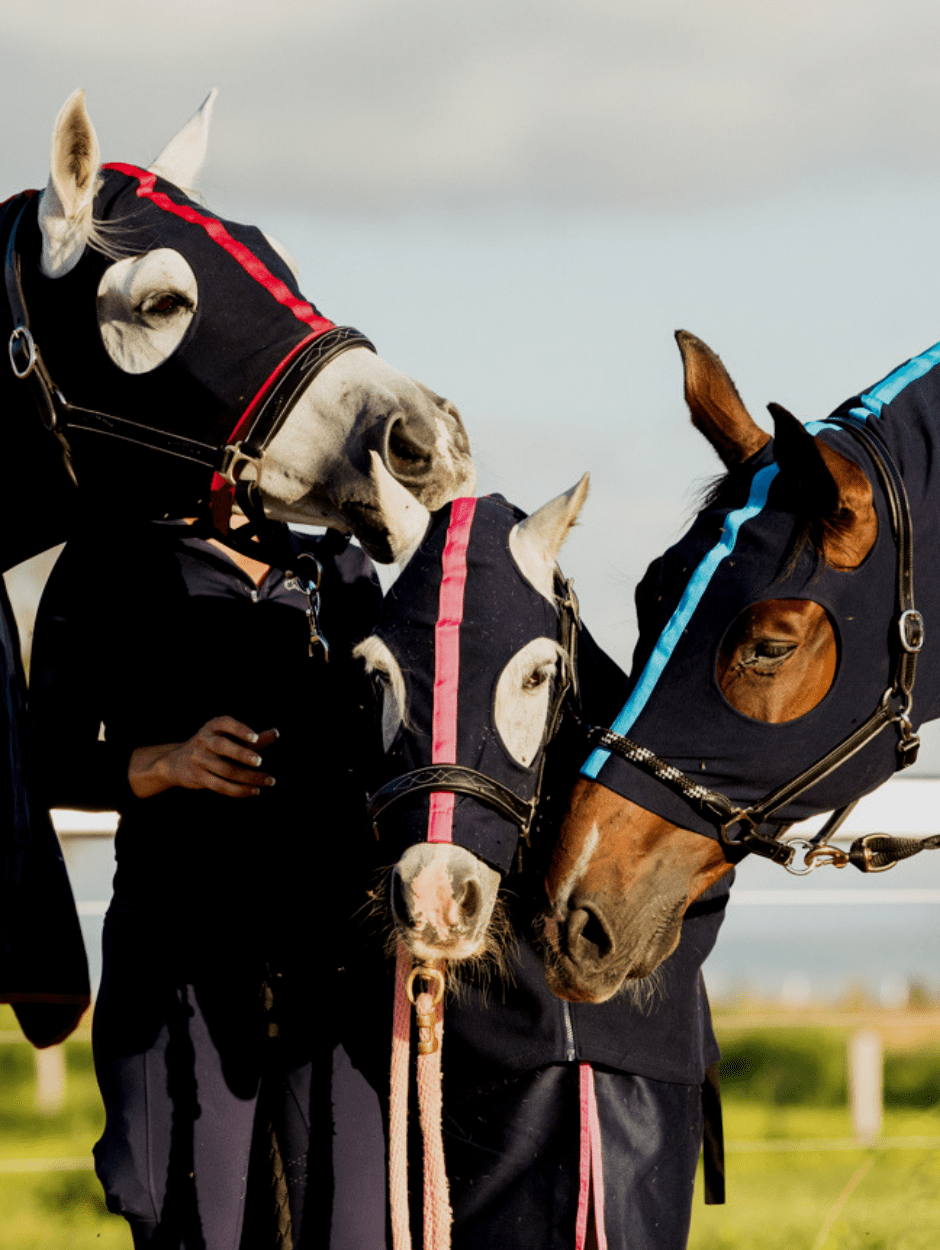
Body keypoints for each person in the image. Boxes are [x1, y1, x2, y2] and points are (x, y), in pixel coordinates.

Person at [28, 514, 381, 1250]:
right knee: (183, 1218)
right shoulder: (107, 555)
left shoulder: (337, 559)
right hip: (176, 944)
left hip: (331, 959)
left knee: (349, 1228)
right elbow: (43, 760)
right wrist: (165, 763)